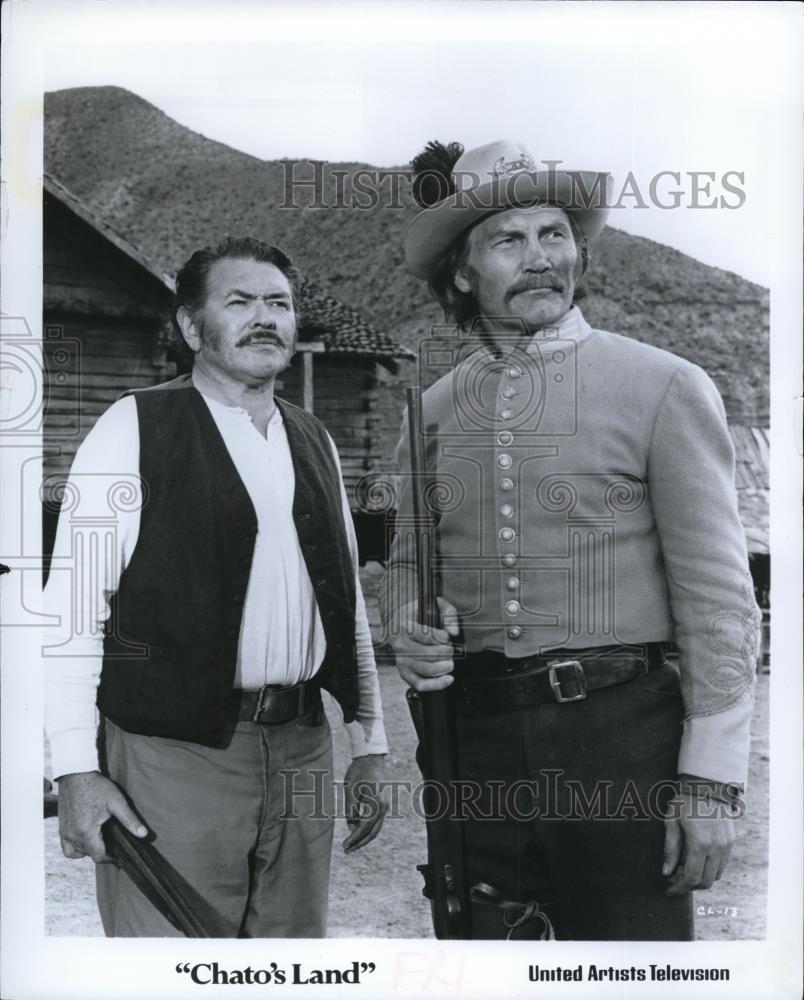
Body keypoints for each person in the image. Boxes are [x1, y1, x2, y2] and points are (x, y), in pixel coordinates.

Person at [385, 140, 760, 940]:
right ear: (463, 273)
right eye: (508, 240)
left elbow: (721, 602)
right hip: (474, 746)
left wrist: (711, 781)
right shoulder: (434, 411)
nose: (539, 259)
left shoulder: (664, 385)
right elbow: (409, 564)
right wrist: (409, 627)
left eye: (553, 235)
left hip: (621, 741)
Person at [44, 236, 388, 937]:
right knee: (170, 967)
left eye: (278, 304)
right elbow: (71, 614)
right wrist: (75, 771)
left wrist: (371, 745)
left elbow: (344, 604)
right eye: (239, 302)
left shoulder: (315, 440)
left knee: (288, 966)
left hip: (301, 748)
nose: (264, 318)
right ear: (193, 327)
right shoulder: (133, 427)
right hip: (171, 758)